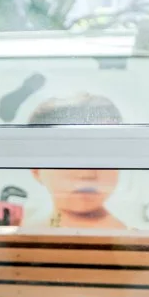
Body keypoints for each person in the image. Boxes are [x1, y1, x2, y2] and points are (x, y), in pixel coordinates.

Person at [27, 93, 127, 229]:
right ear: (35, 169)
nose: (86, 174)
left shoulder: (136, 240)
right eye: (69, 157)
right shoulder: (23, 236)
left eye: (102, 155)